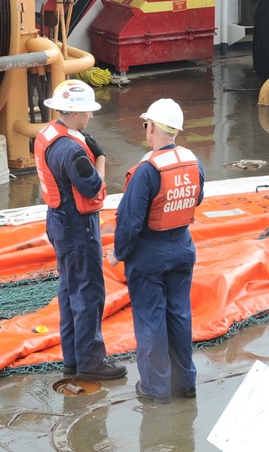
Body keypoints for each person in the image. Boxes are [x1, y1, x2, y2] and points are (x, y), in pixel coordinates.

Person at [109, 98, 205, 404]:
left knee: (151, 320)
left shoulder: (147, 170)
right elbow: (197, 198)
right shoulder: (192, 161)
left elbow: (130, 221)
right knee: (179, 315)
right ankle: (184, 384)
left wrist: (117, 253)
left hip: (149, 253)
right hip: (182, 247)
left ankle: (156, 389)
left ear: (151, 127)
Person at [33, 79, 126, 381]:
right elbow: (93, 186)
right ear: (74, 113)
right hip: (77, 226)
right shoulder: (71, 152)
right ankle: (91, 362)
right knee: (88, 293)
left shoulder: (49, 135)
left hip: (58, 221)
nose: (92, 117)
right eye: (87, 111)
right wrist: (99, 161)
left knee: (70, 289)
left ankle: (73, 358)